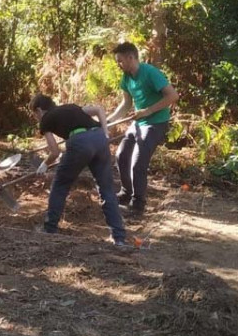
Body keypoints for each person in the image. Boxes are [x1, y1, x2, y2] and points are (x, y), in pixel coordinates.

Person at [30, 94, 127, 246]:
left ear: (39, 110)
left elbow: (54, 152)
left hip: (80, 142)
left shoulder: (46, 119)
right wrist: (105, 132)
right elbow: (98, 109)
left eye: (34, 115)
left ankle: (49, 228)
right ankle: (119, 238)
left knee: (60, 184)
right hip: (99, 138)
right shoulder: (72, 107)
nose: (36, 118)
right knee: (106, 188)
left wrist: (44, 164)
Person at [106, 42, 179, 217]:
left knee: (138, 163)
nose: (118, 64)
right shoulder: (126, 77)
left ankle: (138, 204)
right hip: (139, 123)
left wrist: (148, 111)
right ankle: (125, 192)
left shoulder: (150, 73)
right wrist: (108, 121)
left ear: (131, 57)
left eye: (120, 61)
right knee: (121, 155)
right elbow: (126, 104)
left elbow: (173, 95)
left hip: (156, 123)